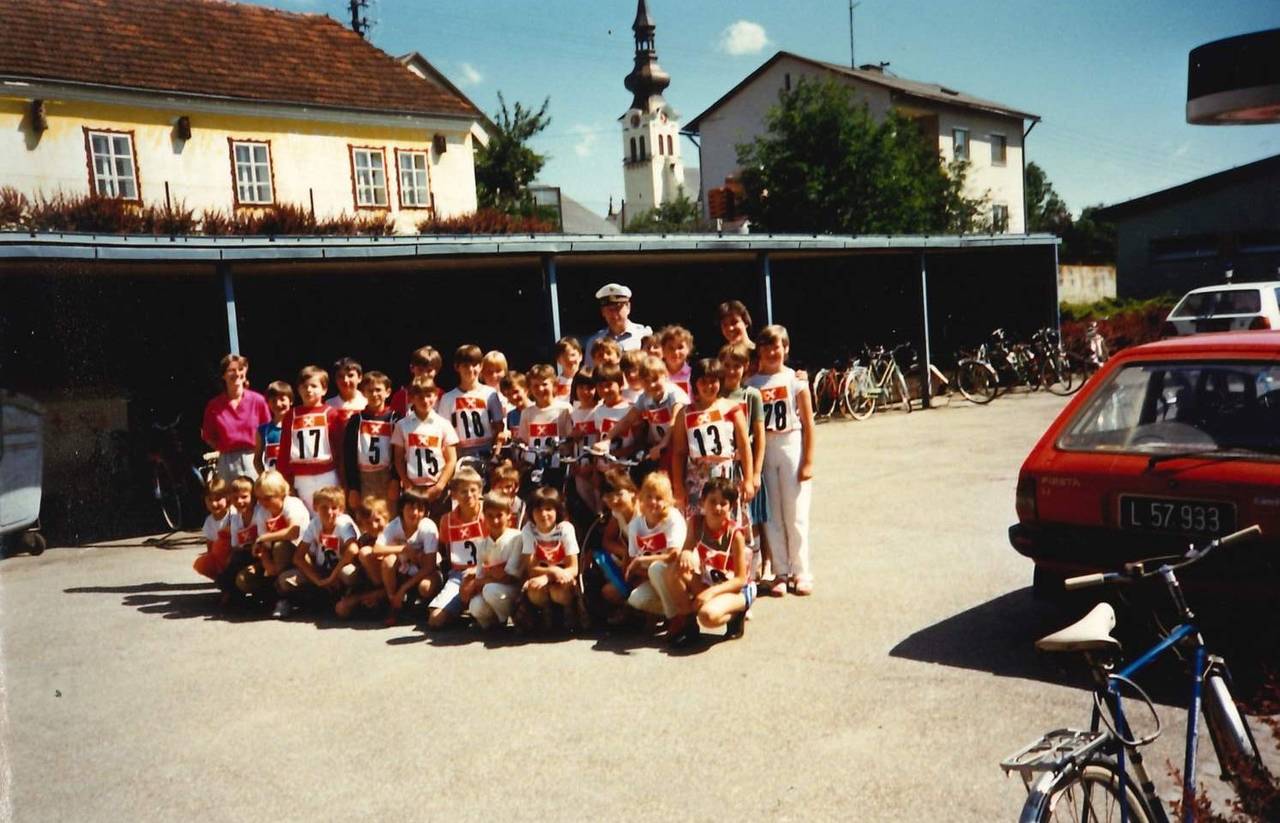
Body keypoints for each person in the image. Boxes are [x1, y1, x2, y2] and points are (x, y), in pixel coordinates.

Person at [747, 325, 816, 596]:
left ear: (785, 349)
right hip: (765, 449)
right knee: (772, 514)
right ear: (759, 351)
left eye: (776, 347)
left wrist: (808, 461)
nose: (771, 352)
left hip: (790, 444)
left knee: (795, 512)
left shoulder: (795, 380)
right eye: (766, 347)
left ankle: (801, 571)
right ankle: (780, 571)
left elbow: (809, 423)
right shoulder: (751, 384)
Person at [661, 477, 752, 646]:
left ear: (731, 506)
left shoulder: (735, 535)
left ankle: (737, 613)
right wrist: (686, 553)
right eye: (712, 501)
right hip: (709, 581)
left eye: (723, 503)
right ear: (703, 501)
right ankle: (689, 627)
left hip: (735, 589)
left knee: (707, 616)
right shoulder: (696, 523)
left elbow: (740, 579)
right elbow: (687, 549)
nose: (717, 507)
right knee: (673, 571)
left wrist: (710, 593)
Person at [670, 357, 754, 516]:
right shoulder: (685, 413)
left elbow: (744, 447)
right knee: (697, 522)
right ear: (695, 383)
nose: (708, 386)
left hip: (725, 474)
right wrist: (678, 487)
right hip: (696, 477)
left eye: (713, 381)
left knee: (727, 520)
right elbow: (679, 452)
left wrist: (749, 479)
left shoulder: (732, 409)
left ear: (720, 381)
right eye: (703, 381)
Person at [275, 486, 360, 618]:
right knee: (285, 580)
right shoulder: (314, 524)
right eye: (324, 507)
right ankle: (306, 599)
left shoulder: (344, 523)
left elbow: (353, 549)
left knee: (349, 573)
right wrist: (318, 580)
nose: (329, 512)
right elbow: (298, 557)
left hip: (340, 571)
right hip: (322, 571)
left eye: (334, 508)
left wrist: (333, 577)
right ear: (315, 507)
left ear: (341, 509)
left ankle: (349, 598)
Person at [720, 342, 768, 564]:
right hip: (722, 466)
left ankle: (756, 565)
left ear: (746, 367)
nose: (731, 371)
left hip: (744, 466)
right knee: (726, 516)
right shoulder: (715, 395)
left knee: (751, 517)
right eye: (727, 365)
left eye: (736, 366)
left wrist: (755, 473)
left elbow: (759, 436)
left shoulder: (751, 395)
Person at [275, 365, 345, 516]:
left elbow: (340, 449)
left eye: (314, 386)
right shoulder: (291, 415)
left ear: (324, 389)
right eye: (304, 386)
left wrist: (343, 479)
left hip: (327, 474)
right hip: (301, 478)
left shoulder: (331, 414)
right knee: (306, 517)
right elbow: (285, 450)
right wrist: (285, 480)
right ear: (298, 389)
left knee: (330, 515)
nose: (308, 390)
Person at [236, 470, 310, 605]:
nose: (262, 502)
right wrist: (266, 563)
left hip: (300, 559)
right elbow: (263, 546)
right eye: (259, 498)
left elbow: (293, 532)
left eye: (267, 498)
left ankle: (283, 599)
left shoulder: (292, 505)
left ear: (280, 493)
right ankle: (274, 592)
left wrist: (264, 537)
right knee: (244, 579)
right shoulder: (262, 512)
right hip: (275, 561)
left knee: (280, 546)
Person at [368, 490, 440, 626]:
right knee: (388, 561)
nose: (415, 513)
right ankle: (393, 603)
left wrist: (404, 588)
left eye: (420, 509)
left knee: (425, 587)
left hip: (426, 571)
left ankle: (424, 606)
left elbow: (430, 566)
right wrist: (404, 549)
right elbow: (376, 549)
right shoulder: (394, 525)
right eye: (410, 508)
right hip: (404, 569)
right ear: (402, 508)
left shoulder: (428, 527)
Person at [391, 376, 458, 515]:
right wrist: (406, 483)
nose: (425, 400)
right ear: (411, 398)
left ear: (436, 396)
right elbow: (398, 458)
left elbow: (451, 459)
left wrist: (440, 485)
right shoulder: (402, 425)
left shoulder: (443, 424)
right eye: (420, 397)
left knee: (438, 522)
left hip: (438, 487)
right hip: (413, 487)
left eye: (429, 396)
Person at [428, 467, 486, 629]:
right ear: (453, 495)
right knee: (435, 619)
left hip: (486, 572)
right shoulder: (446, 520)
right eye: (463, 491)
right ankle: (459, 606)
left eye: (473, 490)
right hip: (459, 575)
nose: (469, 495)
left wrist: (477, 571)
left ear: (480, 491)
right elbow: (446, 549)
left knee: (484, 614)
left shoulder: (488, 516)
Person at [624, 471, 686, 619]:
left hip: (677, 576)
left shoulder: (673, 518)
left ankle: (675, 618)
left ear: (667, 500)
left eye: (659, 498)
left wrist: (642, 560)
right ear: (641, 497)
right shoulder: (635, 525)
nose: (653, 502)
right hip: (652, 578)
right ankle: (681, 610)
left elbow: (673, 555)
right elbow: (634, 566)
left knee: (656, 568)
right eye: (649, 496)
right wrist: (641, 569)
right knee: (636, 598)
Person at [518, 487, 582, 629]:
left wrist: (551, 575)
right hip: (541, 575)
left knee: (558, 592)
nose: (543, 514)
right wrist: (551, 572)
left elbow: (573, 568)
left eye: (548, 509)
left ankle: (569, 612)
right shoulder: (528, 530)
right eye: (538, 510)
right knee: (535, 591)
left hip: (563, 577)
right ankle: (546, 615)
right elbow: (531, 568)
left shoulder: (565, 529)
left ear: (557, 511)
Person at [201, 353, 270, 483]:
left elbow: (267, 431)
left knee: (258, 494)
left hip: (254, 458)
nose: (237, 373)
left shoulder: (258, 401)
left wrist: (259, 452)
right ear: (223, 375)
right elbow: (208, 435)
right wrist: (224, 449)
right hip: (227, 462)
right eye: (231, 370)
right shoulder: (214, 405)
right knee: (230, 495)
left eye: (240, 369)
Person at [342, 370, 398, 513]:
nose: (374, 394)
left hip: (387, 477)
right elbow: (349, 456)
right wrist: (353, 487)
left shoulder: (395, 419)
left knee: (389, 516)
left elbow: (399, 454)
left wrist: (395, 479)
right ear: (363, 393)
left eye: (378, 390)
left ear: (388, 392)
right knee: (366, 518)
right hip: (364, 478)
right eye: (370, 391)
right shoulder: (356, 420)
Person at [466, 492, 524, 630]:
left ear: (508, 514)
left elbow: (510, 577)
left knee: (490, 590)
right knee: (475, 606)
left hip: (514, 592)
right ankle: (495, 624)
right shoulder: (482, 544)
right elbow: (478, 580)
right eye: (490, 516)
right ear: (484, 516)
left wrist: (489, 577)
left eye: (499, 515)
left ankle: (510, 618)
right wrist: (492, 576)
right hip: (492, 589)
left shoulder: (517, 537)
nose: (495, 521)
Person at [439, 344, 507, 461]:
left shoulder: (490, 394)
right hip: (460, 454)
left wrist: (495, 455)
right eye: (465, 365)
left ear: (481, 366)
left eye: (474, 365)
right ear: (457, 367)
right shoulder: (448, 398)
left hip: (487, 451)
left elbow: (499, 427)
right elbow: (444, 433)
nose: (470, 369)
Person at [583, 283, 652, 368]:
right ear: (603, 312)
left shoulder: (644, 335)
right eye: (609, 309)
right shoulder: (594, 342)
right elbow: (589, 373)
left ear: (628, 307)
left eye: (618, 308)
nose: (614, 314)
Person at [215, 475, 257, 604]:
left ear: (253, 496)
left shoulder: (259, 513)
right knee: (232, 563)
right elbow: (235, 546)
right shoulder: (235, 518)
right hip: (246, 552)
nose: (239, 501)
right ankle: (232, 592)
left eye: (244, 497)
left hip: (261, 554)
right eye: (235, 498)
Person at [193, 478, 233, 581]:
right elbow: (210, 544)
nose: (214, 504)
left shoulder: (233, 516)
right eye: (210, 500)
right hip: (219, 557)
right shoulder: (209, 521)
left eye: (218, 499)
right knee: (201, 564)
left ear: (227, 498)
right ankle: (220, 579)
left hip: (233, 554)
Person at [390, 345, 442, 417]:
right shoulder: (400, 396)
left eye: (429, 371)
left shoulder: (442, 396)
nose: (424, 374)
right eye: (420, 370)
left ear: (437, 370)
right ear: (412, 368)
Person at [254, 380, 293, 474]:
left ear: (291, 401)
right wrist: (264, 477)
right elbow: (257, 460)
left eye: (282, 399)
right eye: (273, 401)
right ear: (268, 403)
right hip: (273, 480)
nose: (278, 404)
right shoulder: (262, 430)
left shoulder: (297, 425)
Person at [326, 356, 367, 427]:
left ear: (360, 378)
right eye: (340, 376)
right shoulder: (328, 405)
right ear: (335, 379)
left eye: (350, 375)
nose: (345, 380)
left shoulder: (367, 403)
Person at [659, 325, 694, 398]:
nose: (675, 352)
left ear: (688, 349)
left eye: (680, 347)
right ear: (663, 350)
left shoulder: (694, 374)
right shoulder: (657, 375)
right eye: (671, 348)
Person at [554, 337, 583, 402]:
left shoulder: (589, 380)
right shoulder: (555, 384)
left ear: (580, 356)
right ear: (558, 360)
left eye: (573, 355)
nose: (570, 359)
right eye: (564, 356)